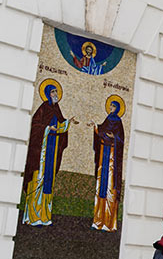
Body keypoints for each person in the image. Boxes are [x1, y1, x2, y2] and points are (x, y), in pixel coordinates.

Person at [23, 82, 78, 227]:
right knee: (38, 180)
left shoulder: (56, 109)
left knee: (48, 182)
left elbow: (60, 126)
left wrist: (67, 123)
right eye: (53, 92)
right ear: (48, 94)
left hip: (52, 153)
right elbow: (35, 126)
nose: (55, 94)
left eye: (56, 92)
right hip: (41, 153)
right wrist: (47, 128)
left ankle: (44, 216)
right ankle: (33, 217)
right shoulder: (43, 108)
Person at [89, 98, 125, 231]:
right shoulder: (108, 118)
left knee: (110, 189)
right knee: (100, 189)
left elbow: (120, 140)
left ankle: (109, 224)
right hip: (103, 156)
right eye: (110, 105)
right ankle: (97, 221)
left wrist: (113, 137)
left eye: (113, 106)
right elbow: (101, 131)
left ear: (118, 108)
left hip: (111, 159)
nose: (111, 108)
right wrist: (95, 127)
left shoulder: (118, 122)